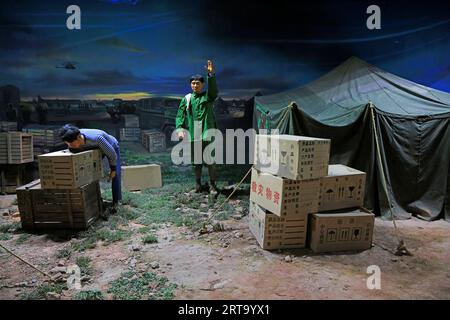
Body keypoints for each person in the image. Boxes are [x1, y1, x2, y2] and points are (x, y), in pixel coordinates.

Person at [175, 60, 219, 195]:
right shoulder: (187, 99)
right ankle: (198, 185)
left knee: (210, 161)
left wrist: (210, 74)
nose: (195, 86)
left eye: (198, 83)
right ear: (190, 85)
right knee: (196, 162)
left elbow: (214, 91)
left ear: (202, 84)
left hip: (208, 132)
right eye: (193, 83)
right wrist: (180, 128)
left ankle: (212, 186)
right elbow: (179, 115)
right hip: (195, 133)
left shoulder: (208, 96)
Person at [58, 124, 122, 206]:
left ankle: (117, 202)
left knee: (115, 175)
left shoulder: (97, 138)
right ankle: (96, 200)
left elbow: (112, 155)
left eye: (70, 143)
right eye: (67, 143)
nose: (69, 146)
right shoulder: (72, 137)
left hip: (111, 146)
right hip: (94, 149)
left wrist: (112, 169)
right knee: (91, 172)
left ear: (78, 137)